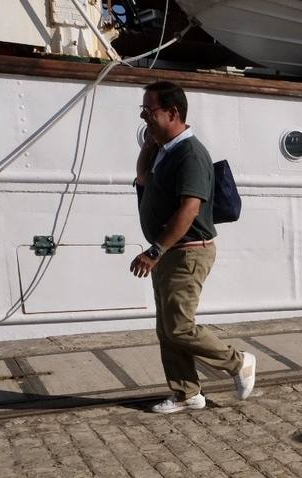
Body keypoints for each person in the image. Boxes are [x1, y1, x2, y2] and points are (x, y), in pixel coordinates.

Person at [131, 80, 255, 413]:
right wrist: (150, 143)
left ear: (172, 113)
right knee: (167, 330)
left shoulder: (191, 153)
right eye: (142, 110)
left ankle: (238, 362)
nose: (144, 116)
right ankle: (187, 394)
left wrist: (155, 250)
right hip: (171, 251)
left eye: (149, 110)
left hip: (187, 251)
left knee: (180, 327)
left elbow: (190, 209)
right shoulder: (164, 149)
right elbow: (143, 178)